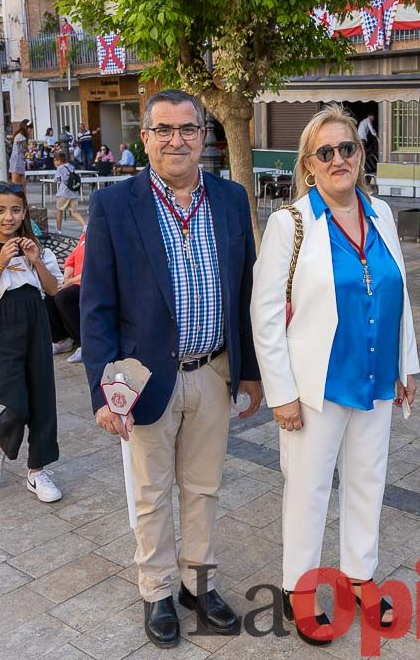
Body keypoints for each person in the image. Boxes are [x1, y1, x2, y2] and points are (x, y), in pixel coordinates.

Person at [81, 89, 262, 649]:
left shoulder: (231, 200)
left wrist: (250, 371)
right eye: (163, 130)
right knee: (152, 491)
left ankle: (196, 584)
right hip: (143, 377)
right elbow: (97, 306)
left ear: (203, 137)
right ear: (145, 138)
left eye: (187, 129)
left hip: (214, 370)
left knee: (204, 487)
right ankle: (157, 590)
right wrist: (102, 392)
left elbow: (246, 291)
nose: (176, 140)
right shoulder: (116, 205)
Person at [251, 105, 419, 645]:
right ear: (309, 164)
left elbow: (399, 293)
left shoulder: (383, 214)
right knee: (309, 490)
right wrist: (280, 392)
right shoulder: (291, 223)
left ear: (360, 154)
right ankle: (299, 591)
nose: (339, 159)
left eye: (347, 148)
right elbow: (266, 314)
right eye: (326, 152)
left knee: (369, 481)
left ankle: (358, 577)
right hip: (316, 384)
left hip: (373, 374)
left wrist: (406, 362)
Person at [0, 183, 65, 503]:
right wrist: (0, 263)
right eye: (1, 210)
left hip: (37, 325)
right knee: (16, 402)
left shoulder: (36, 249)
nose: (9, 217)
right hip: (4, 328)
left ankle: (37, 471)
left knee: (42, 400)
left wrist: (34, 260)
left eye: (16, 210)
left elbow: (52, 290)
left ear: (24, 213)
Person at [46, 230, 85, 363]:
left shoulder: (100, 234)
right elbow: (72, 257)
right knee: (49, 294)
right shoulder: (85, 234)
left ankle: (85, 343)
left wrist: (71, 281)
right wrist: (68, 270)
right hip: (76, 282)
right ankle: (61, 340)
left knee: (64, 297)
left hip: (92, 282)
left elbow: (96, 266)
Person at [52, 149, 86, 232]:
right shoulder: (71, 166)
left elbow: (56, 180)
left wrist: (57, 170)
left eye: (55, 161)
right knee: (74, 212)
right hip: (73, 192)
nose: (54, 163)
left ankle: (59, 230)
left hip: (64, 192)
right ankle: (85, 225)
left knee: (59, 210)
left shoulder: (60, 168)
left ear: (58, 161)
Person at [9, 120, 31, 185]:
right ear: (26, 127)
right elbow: (26, 148)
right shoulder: (21, 136)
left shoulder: (19, 135)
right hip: (17, 159)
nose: (30, 130)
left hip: (18, 159)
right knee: (16, 181)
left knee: (21, 181)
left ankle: (22, 194)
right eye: (30, 128)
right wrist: (29, 154)